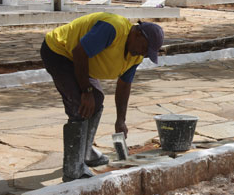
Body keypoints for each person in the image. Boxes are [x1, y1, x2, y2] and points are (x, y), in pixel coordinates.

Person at [40, 12, 164, 182]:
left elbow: (124, 85)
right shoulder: (113, 28)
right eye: (144, 48)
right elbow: (79, 52)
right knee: (80, 107)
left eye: (147, 53)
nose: (143, 54)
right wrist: (86, 91)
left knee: (96, 102)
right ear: (137, 34)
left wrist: (121, 120)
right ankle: (73, 170)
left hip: (81, 60)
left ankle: (86, 151)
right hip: (60, 52)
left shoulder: (135, 56)